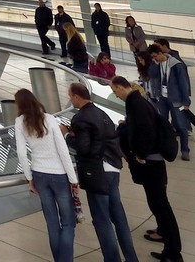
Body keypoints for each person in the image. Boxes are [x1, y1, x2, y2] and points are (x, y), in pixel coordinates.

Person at [110, 75, 183, 261]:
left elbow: (147, 131)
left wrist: (140, 154)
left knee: (160, 205)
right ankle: (169, 242)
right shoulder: (139, 102)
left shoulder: (137, 104)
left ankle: (173, 252)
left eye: (114, 90)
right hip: (154, 161)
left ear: (120, 87)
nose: (115, 95)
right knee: (159, 204)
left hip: (151, 163)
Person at [65, 81, 139, 262]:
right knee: (118, 216)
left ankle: (112, 259)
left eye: (71, 96)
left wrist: (67, 136)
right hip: (113, 168)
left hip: (97, 173)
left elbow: (84, 147)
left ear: (76, 96)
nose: (70, 100)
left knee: (101, 219)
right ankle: (131, 257)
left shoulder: (81, 118)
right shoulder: (101, 113)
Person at [14, 88, 78, 262]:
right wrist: (73, 179)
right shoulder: (49, 119)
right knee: (68, 222)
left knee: (52, 222)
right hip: (59, 175)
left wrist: (29, 178)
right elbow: (63, 151)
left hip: (39, 174)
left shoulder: (19, 122)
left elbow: (21, 153)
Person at [148, 47, 192, 160]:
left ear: (160, 53)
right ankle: (163, 147)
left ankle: (185, 150)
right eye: (152, 57)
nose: (154, 58)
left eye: (155, 56)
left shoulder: (176, 65)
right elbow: (151, 75)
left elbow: (183, 83)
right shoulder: (157, 64)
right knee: (162, 123)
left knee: (181, 125)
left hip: (175, 98)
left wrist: (186, 101)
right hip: (162, 98)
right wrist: (154, 64)